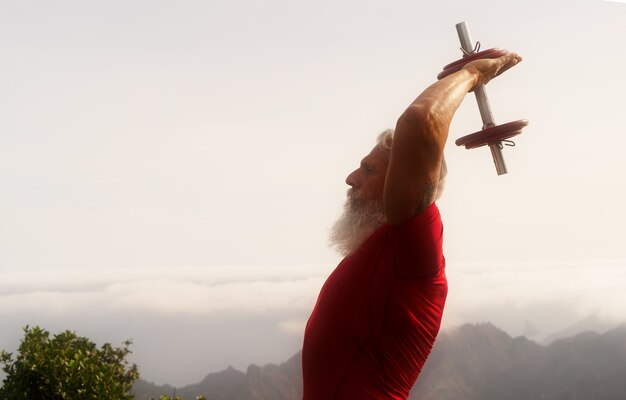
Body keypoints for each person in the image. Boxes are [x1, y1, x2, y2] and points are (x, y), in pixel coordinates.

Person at [301, 50, 522, 399]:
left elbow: (420, 122)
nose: (350, 178)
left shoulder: (413, 252)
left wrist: (472, 74)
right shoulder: (378, 248)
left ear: (402, 183)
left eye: (369, 169)